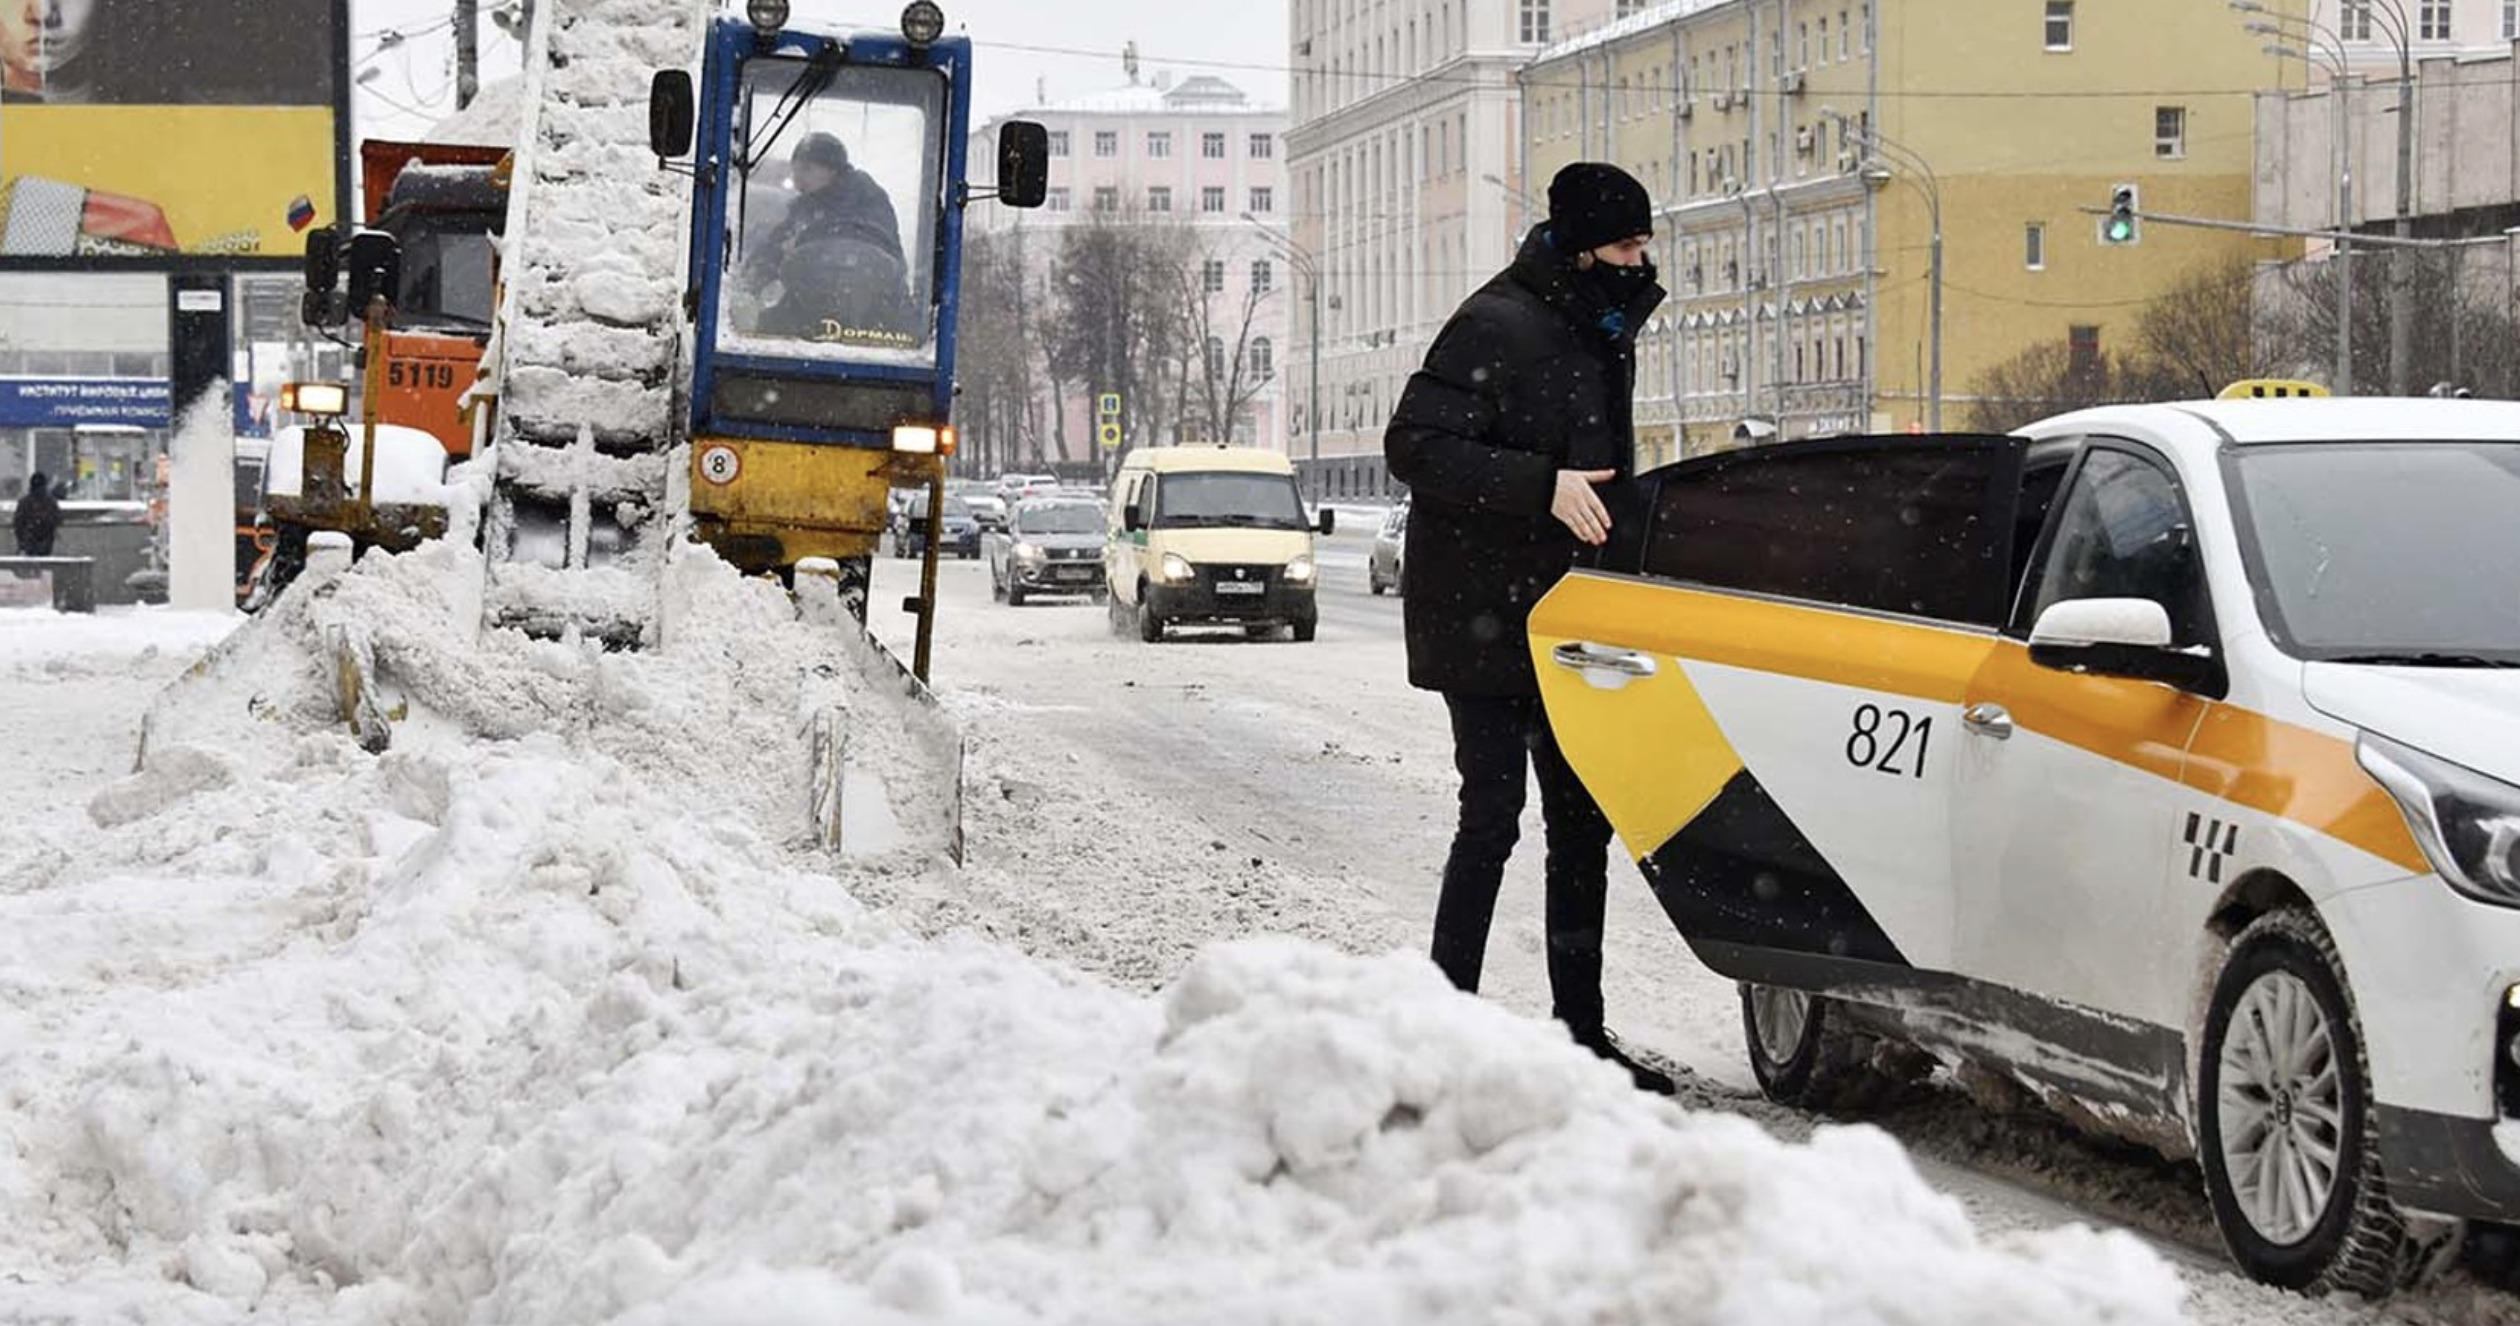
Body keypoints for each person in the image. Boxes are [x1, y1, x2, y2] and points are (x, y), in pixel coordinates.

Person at [1383, 162, 1672, 1094]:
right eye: (1628, 245)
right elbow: (1414, 446)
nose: (1641, 260)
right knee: (1492, 816)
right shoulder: (1498, 322)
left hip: (1565, 611)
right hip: (1481, 614)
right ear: (1586, 246)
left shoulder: (1598, 327)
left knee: (1581, 824)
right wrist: (1538, 486)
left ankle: (1579, 1036)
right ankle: (1442, 1023)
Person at [741, 131, 910, 340]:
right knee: (762, 330)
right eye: (796, 170)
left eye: (807, 169)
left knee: (903, 334)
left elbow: (885, 253)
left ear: (833, 171)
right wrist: (755, 273)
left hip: (869, 307)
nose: (797, 178)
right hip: (812, 299)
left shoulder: (867, 199)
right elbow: (776, 245)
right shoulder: (803, 207)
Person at [13, 468, 61, 555]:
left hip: (29, 541)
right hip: (46, 541)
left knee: (29, 565)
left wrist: (22, 541)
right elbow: (56, 520)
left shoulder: (24, 502)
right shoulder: (51, 502)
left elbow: (18, 524)